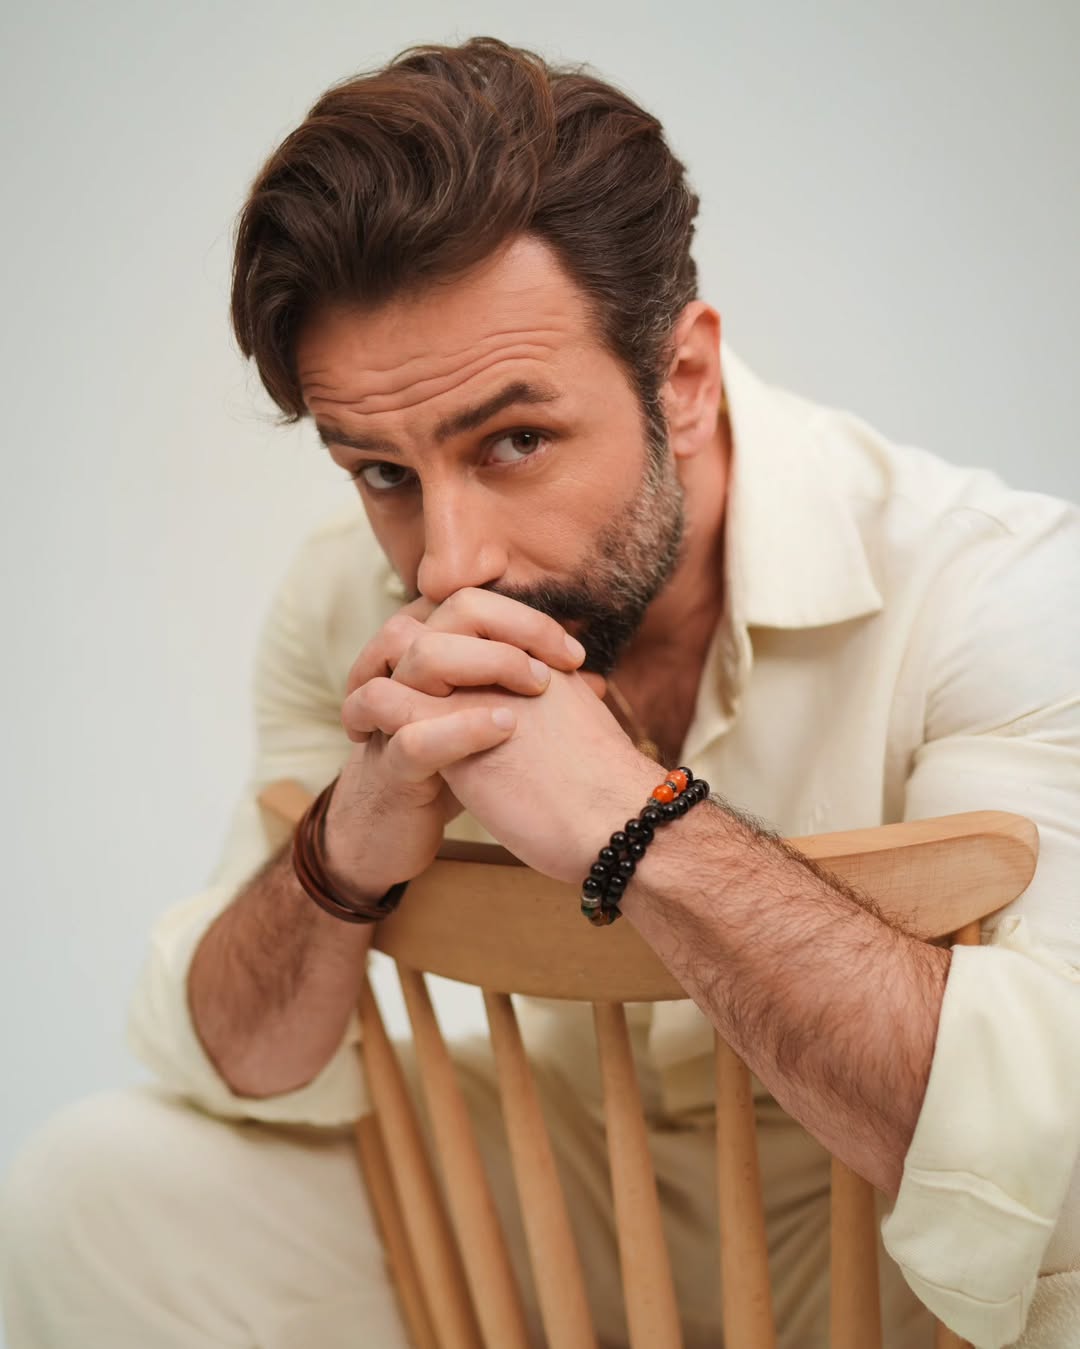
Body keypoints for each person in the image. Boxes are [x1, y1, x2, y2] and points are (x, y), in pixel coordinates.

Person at [3, 35, 1080, 1349]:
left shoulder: (1001, 591)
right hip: (563, 1182)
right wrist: (342, 851)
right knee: (92, 1191)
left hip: (895, 1234)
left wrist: (643, 822)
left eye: (514, 440)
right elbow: (245, 1061)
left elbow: (1052, 1153)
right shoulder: (343, 603)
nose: (448, 566)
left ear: (683, 382)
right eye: (383, 472)